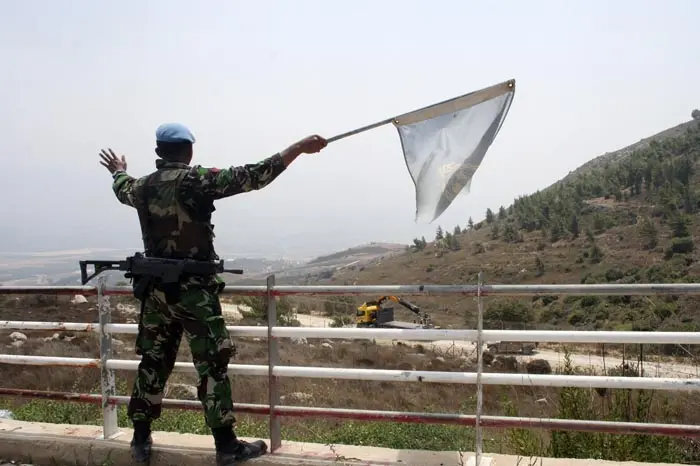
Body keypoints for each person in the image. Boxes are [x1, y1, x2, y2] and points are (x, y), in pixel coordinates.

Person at [98, 123, 328, 465]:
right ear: (188, 151)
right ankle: (226, 446)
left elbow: (122, 188)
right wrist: (298, 148)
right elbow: (254, 175)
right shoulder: (196, 180)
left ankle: (140, 439)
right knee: (212, 366)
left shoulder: (142, 186)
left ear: (159, 152)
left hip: (157, 293)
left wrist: (118, 170)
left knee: (153, 363)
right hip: (195, 294)